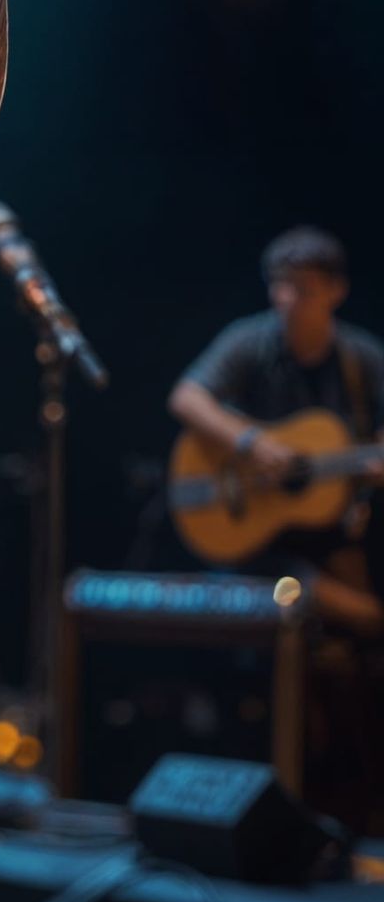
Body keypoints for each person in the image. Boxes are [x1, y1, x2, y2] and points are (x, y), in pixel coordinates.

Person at [168, 225, 384, 636]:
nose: (285, 299)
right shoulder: (250, 340)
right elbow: (185, 397)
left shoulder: (363, 358)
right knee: (343, 609)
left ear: (336, 291)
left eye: (301, 288)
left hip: (331, 532)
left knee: (362, 616)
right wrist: (250, 442)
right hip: (257, 539)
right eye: (278, 286)